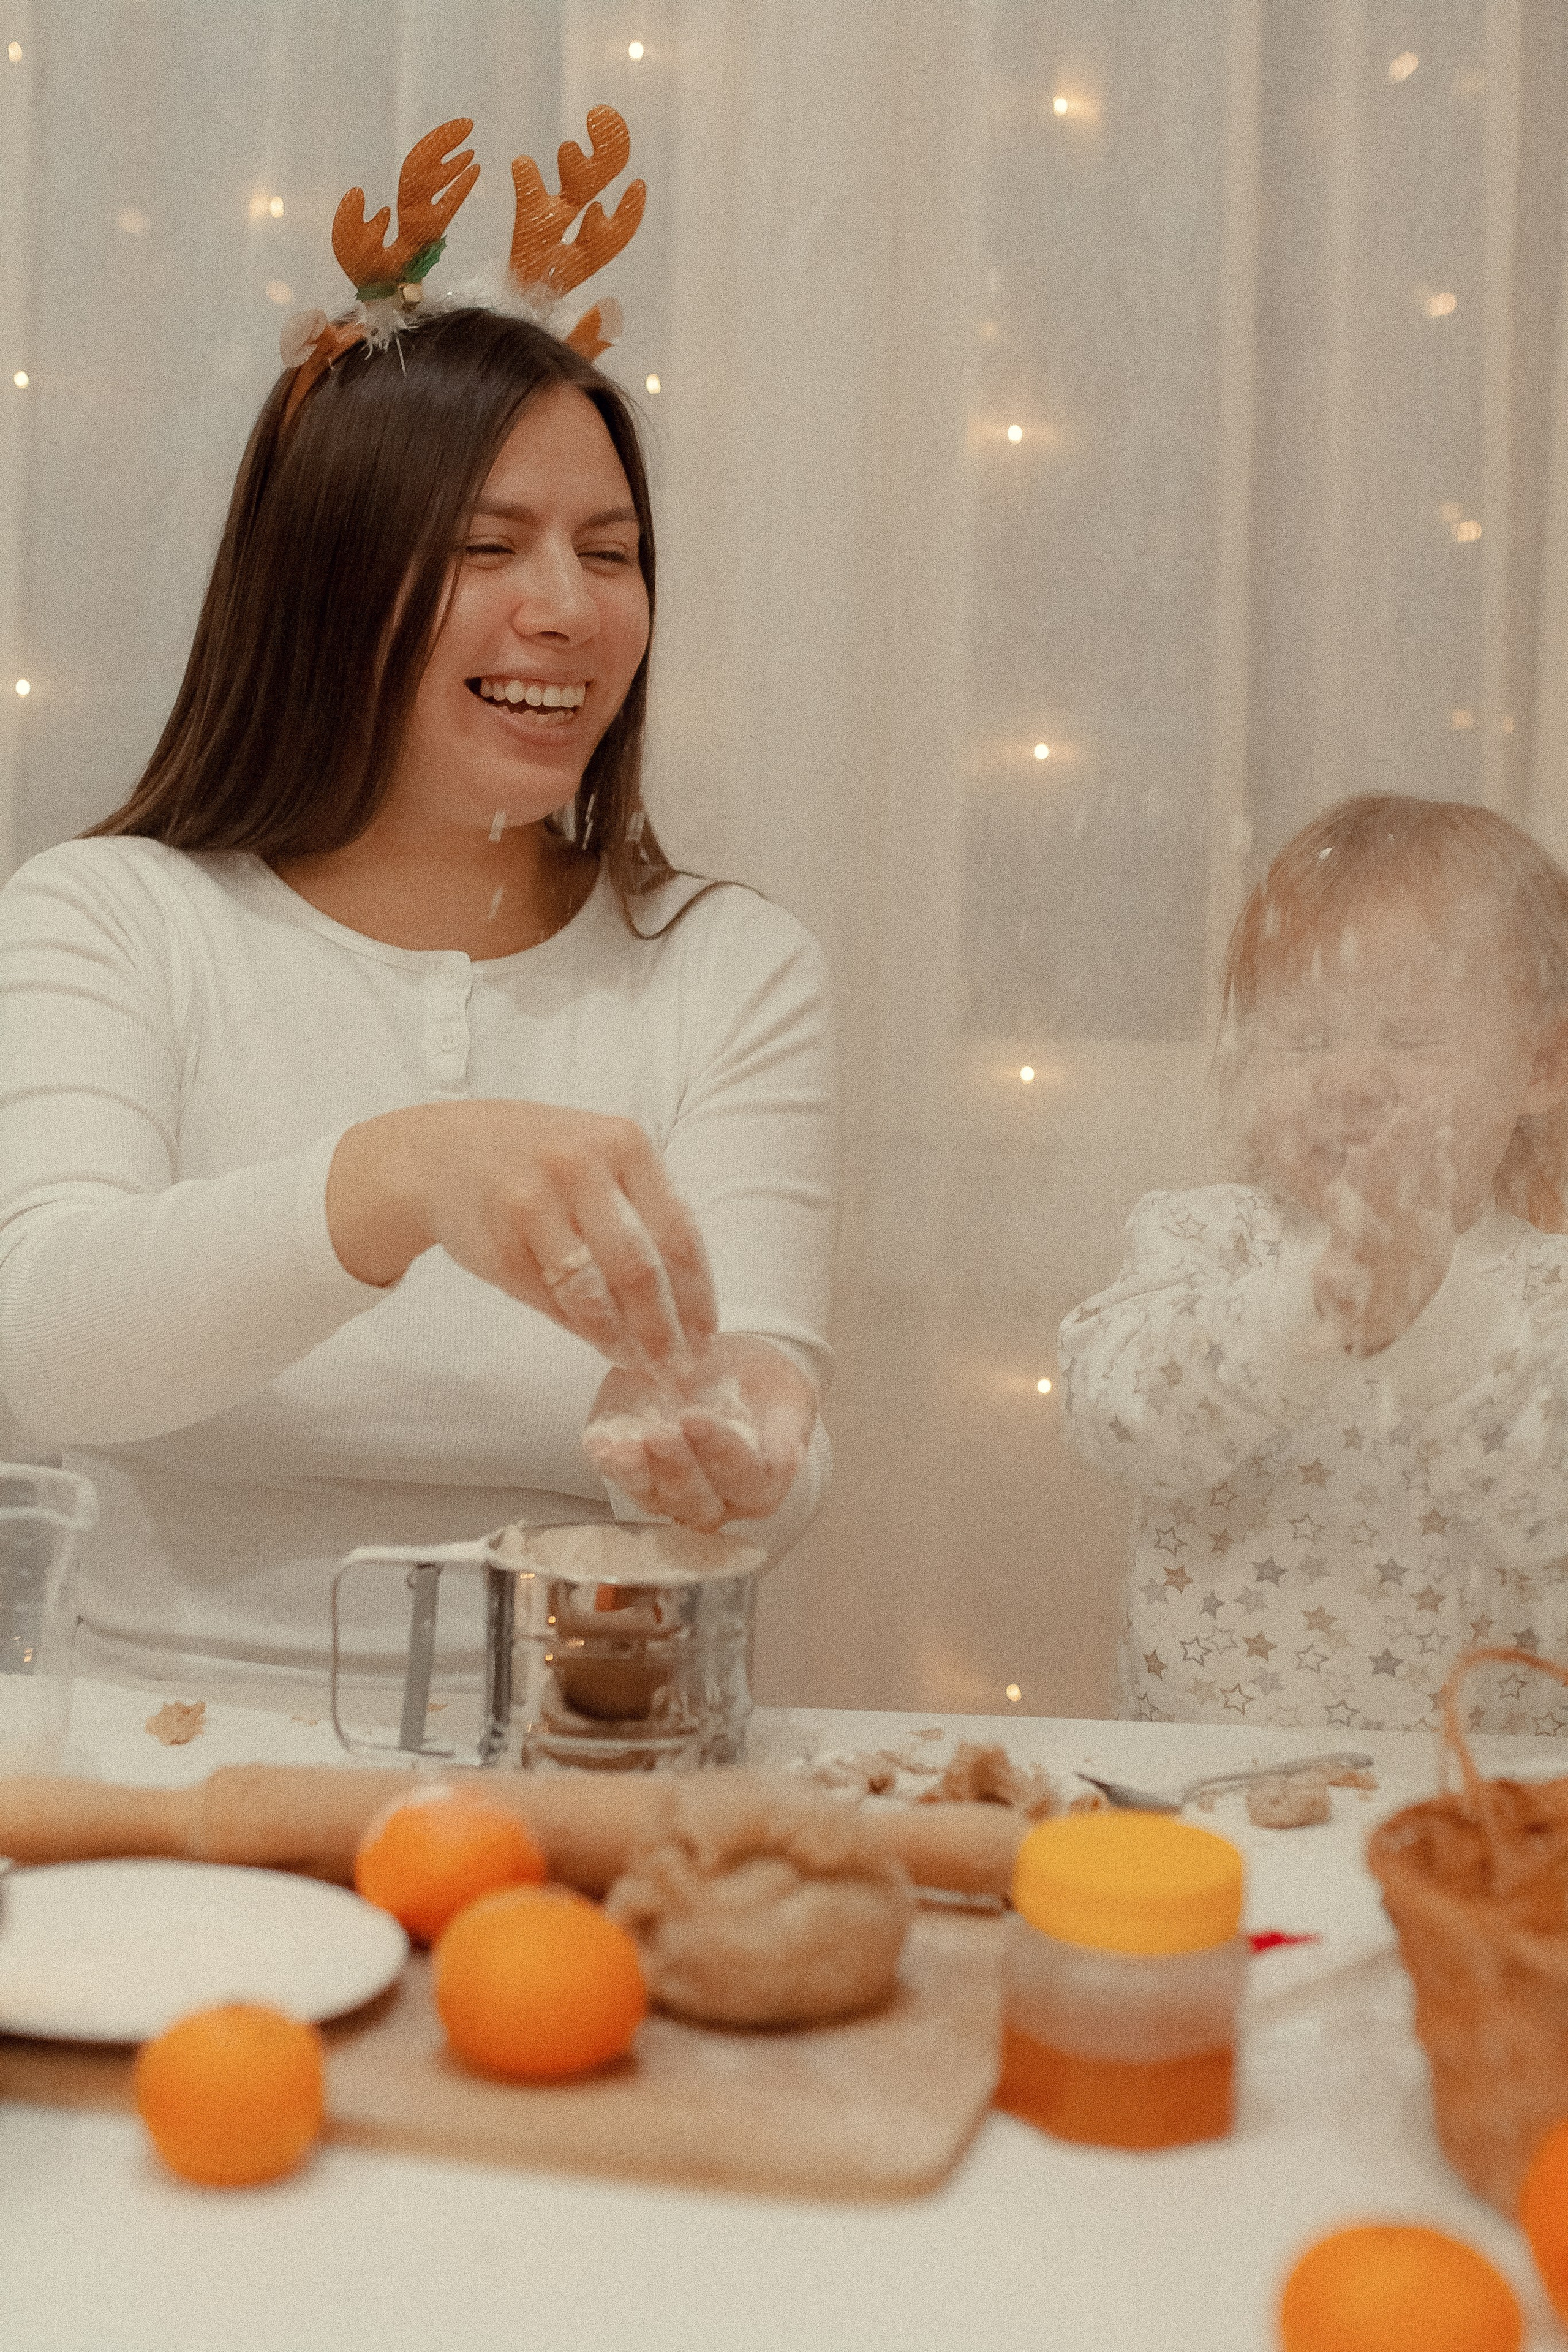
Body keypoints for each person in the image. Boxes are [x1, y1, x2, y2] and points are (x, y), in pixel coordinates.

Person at [0, 301, 834, 1689]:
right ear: (323, 584)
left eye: (610, 553)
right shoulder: (111, 915)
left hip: (591, 1748)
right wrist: (397, 1177)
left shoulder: (727, 965)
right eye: (485, 547)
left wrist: (731, 1460)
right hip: (158, 1763)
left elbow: (770, 1445)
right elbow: (49, 1356)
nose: (567, 609)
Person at [1058, 794, 1568, 1734]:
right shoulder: (1208, 1242)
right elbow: (1118, 1420)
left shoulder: (1550, 1290)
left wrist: (1439, 1314)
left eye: (1411, 1038)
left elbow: (1552, 1519)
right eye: (1302, 1040)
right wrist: (1306, 1308)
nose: (1348, 1080)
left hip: (1475, 1817)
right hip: (1203, 1789)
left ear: (1540, 1063)